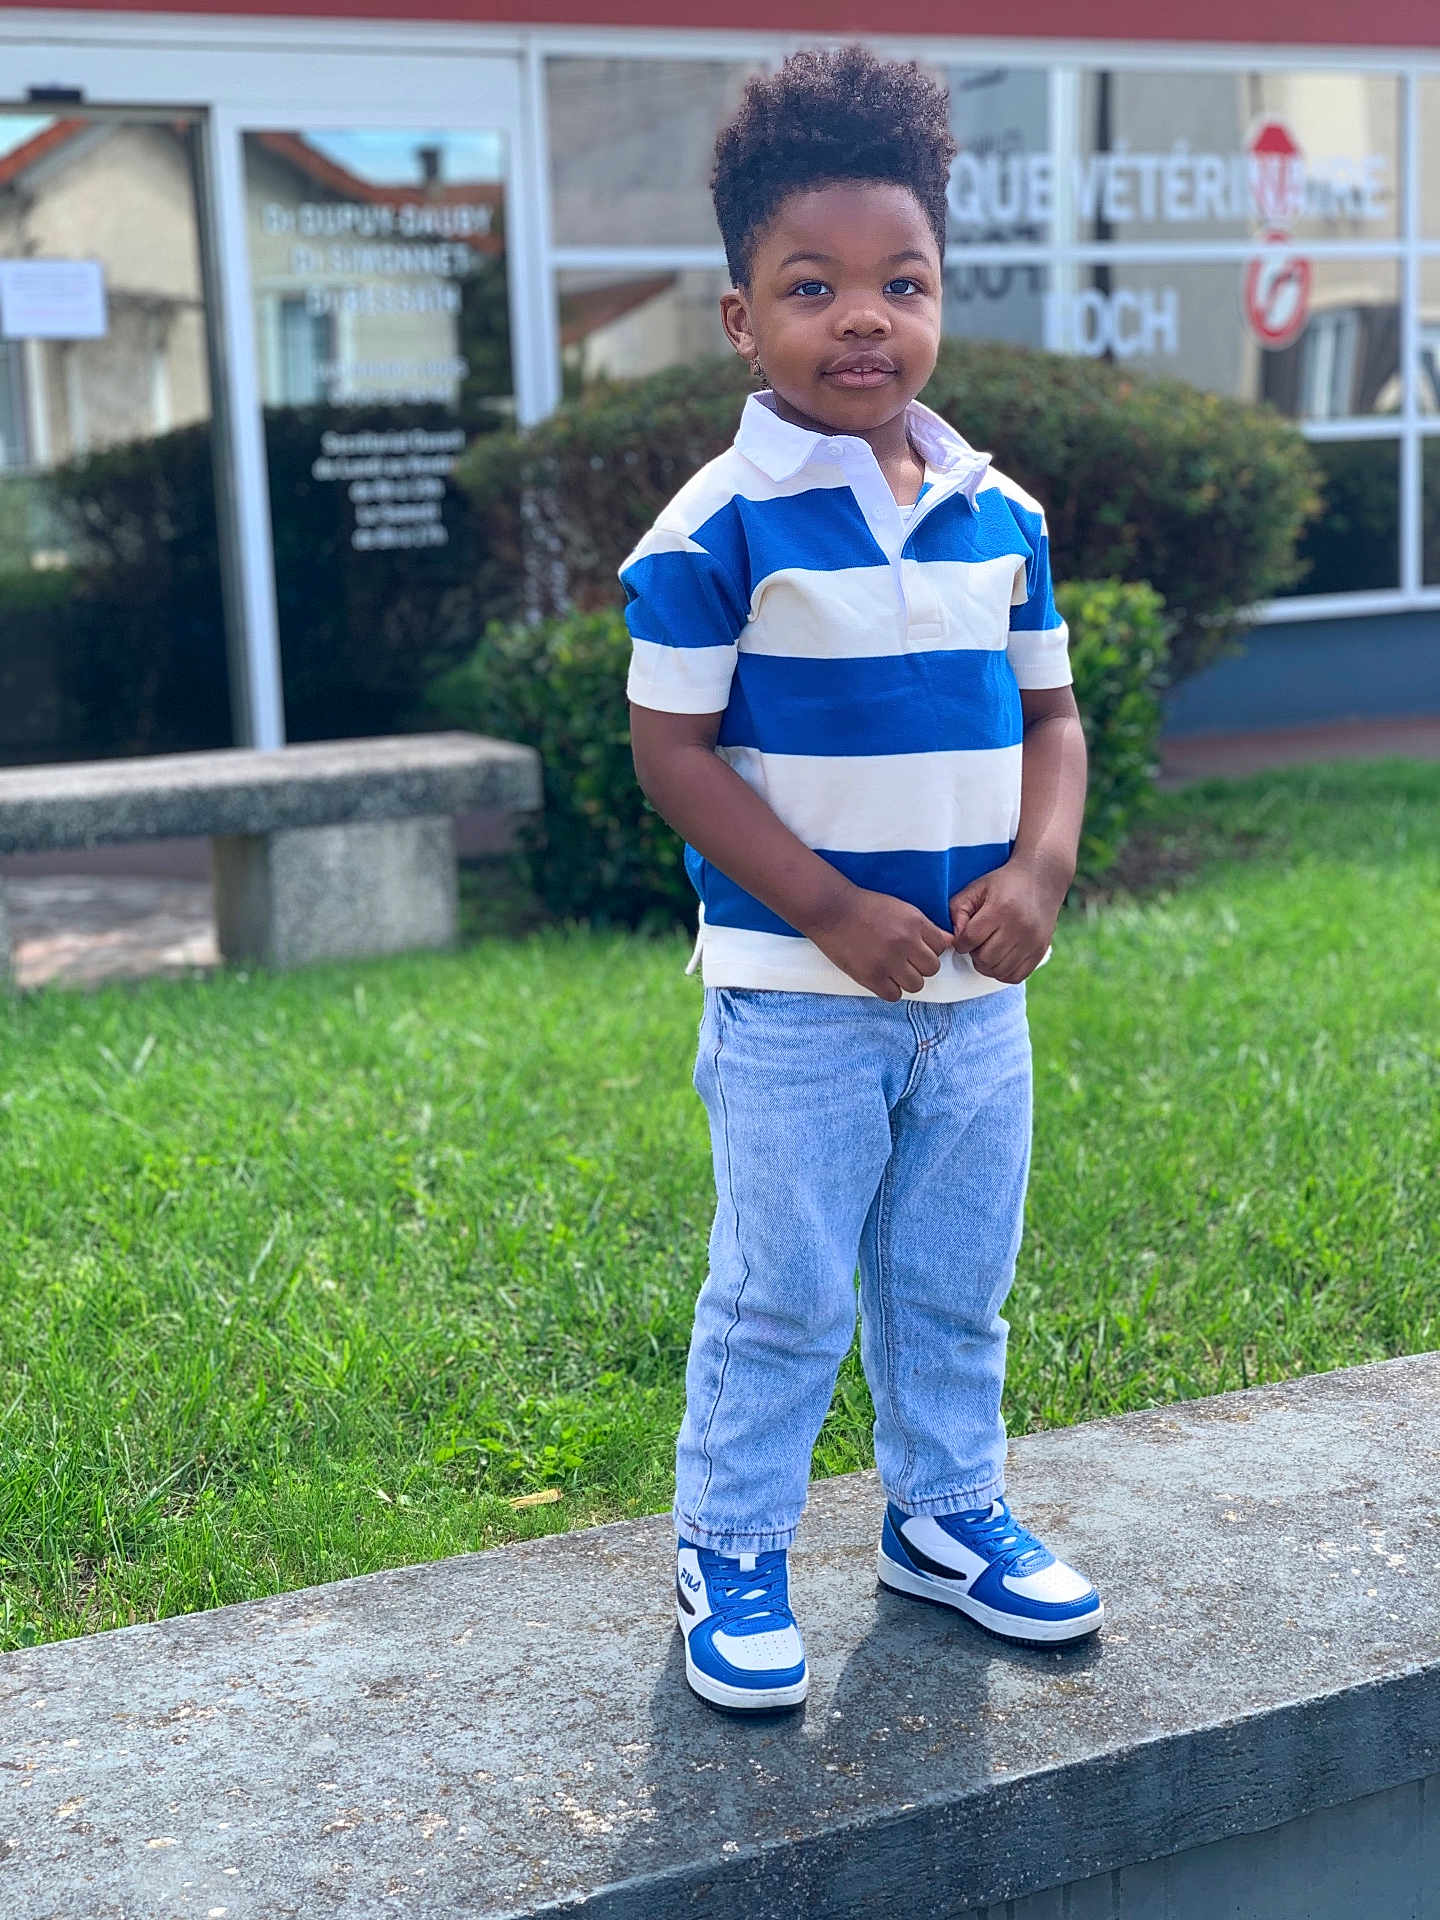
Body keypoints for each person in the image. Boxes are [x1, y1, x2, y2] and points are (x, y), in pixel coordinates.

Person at [618, 42, 1102, 1716]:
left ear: (943, 292)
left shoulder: (1002, 516)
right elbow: (671, 755)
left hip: (978, 1004)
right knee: (784, 1287)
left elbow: (1054, 716)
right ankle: (731, 1540)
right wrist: (825, 907)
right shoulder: (710, 536)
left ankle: (945, 1513)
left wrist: (1041, 867)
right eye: (812, 286)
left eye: (901, 282)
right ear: (743, 316)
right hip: (796, 1001)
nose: (863, 319)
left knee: (954, 1273)